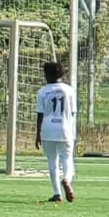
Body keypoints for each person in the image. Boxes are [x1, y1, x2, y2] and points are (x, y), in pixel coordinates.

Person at [34, 61, 77, 203]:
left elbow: (40, 114)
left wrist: (38, 133)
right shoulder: (69, 90)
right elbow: (73, 112)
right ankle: (67, 179)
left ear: (47, 75)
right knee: (67, 158)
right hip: (65, 128)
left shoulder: (42, 91)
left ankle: (57, 193)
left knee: (52, 161)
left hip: (48, 129)